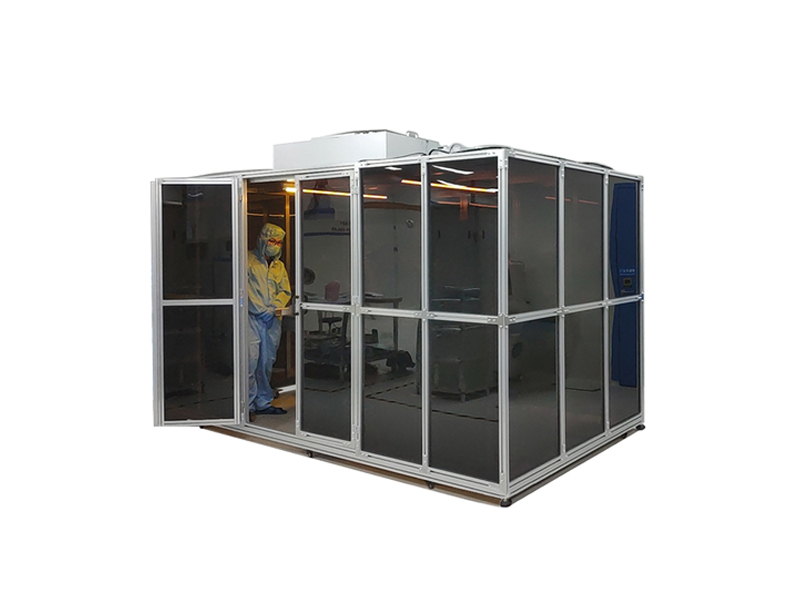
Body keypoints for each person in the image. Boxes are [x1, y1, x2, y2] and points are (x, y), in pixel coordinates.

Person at [248, 223, 291, 419]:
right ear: (262, 240)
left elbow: (285, 291)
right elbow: (244, 290)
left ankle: (263, 402)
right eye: (272, 240)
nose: (275, 245)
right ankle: (247, 405)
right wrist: (260, 309)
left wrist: (274, 307)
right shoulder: (247, 261)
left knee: (266, 363)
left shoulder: (279, 266)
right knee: (250, 362)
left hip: (272, 320)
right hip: (251, 319)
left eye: (279, 242)